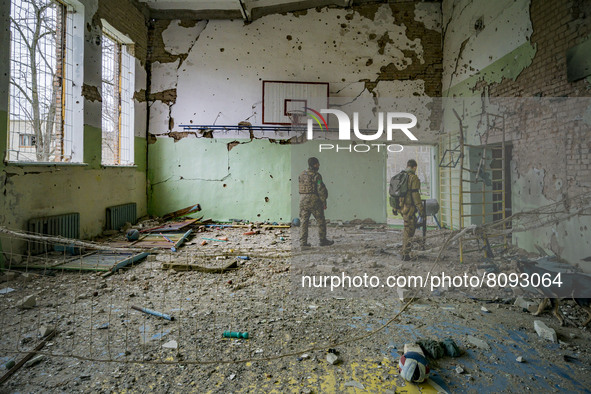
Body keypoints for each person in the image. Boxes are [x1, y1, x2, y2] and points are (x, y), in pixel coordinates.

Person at [299, 157, 334, 247]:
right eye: (317, 164)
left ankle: (303, 243)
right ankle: (322, 240)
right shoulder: (316, 175)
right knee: (320, 220)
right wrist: (324, 201)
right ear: (314, 164)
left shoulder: (302, 174)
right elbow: (321, 189)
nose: (318, 165)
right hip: (314, 200)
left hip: (302, 199)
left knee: (304, 222)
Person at [399, 159, 425, 261]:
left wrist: (396, 208)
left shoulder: (401, 176)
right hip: (409, 207)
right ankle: (405, 254)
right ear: (414, 167)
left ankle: (406, 251)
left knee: (408, 227)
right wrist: (420, 208)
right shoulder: (413, 178)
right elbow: (415, 194)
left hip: (402, 206)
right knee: (409, 229)